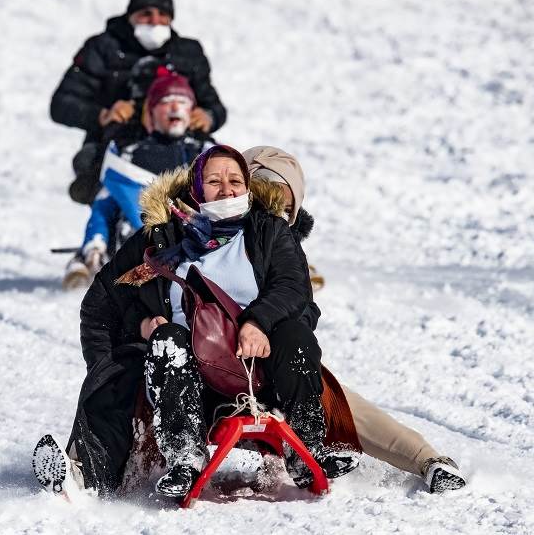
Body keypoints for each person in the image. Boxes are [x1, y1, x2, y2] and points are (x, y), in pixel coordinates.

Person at [34, 145, 359, 499]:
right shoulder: (159, 240)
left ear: (248, 187)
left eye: (235, 180)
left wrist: (259, 322)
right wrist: (107, 365)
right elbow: (100, 306)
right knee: (155, 349)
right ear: (195, 188)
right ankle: (134, 469)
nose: (227, 189)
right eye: (214, 181)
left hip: (264, 373)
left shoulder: (268, 232)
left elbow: (293, 288)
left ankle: (309, 449)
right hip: (180, 380)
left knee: (298, 338)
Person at [243, 146, 467, 494]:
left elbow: (302, 307)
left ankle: (425, 459)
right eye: (265, 198)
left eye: (286, 208)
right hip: (214, 362)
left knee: (340, 404)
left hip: (278, 362)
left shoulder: (285, 249)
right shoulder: (211, 234)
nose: (275, 213)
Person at [50, 0, 227, 204]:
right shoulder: (103, 49)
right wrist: (103, 115)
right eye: (146, 14)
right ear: (130, 15)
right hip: (118, 141)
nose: (155, 22)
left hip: (180, 141)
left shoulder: (187, 53)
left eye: (163, 14)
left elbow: (215, 106)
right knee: (88, 166)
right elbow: (61, 104)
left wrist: (208, 117)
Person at [63, 73, 214, 289]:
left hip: (189, 231)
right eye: (166, 102)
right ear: (150, 112)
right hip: (137, 224)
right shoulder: (129, 149)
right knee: (107, 196)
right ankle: (93, 251)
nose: (175, 108)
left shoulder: (202, 149)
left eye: (182, 102)